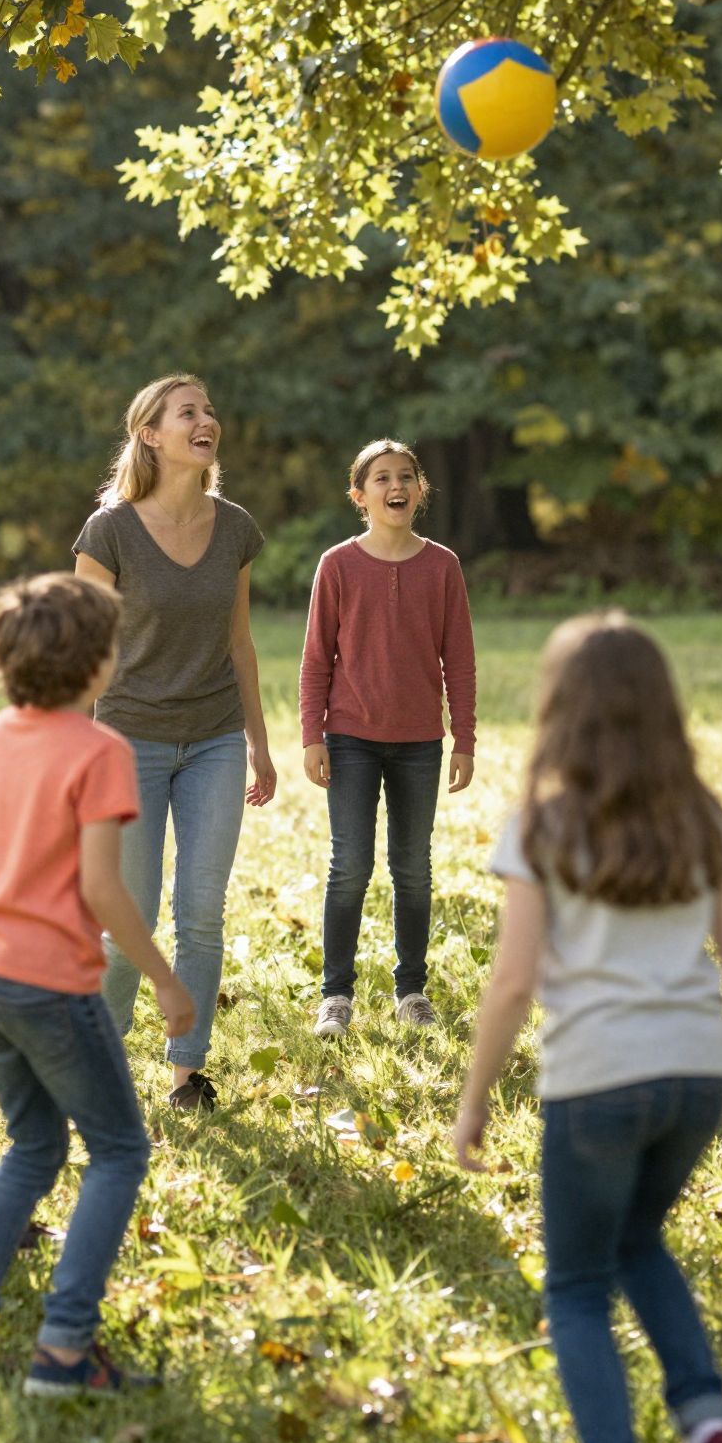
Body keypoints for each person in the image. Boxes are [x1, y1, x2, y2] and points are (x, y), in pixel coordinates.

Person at [454, 612, 722, 1443]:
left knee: (578, 1284)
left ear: (562, 712)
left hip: (596, 1079)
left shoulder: (543, 824)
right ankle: (710, 1434)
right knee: (639, 1241)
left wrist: (475, 1098)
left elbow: (512, 980)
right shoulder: (700, 818)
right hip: (696, 1073)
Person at [0, 574, 194, 1395]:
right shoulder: (102, 751)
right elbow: (105, 890)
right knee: (119, 1150)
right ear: (100, 663)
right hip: (46, 981)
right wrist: (167, 983)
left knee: (35, 1148)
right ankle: (66, 1346)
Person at [74, 373, 275, 1113]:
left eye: (211, 410)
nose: (207, 420)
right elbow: (78, 650)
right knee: (130, 922)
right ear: (150, 435)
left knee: (201, 910)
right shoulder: (110, 532)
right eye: (188, 411)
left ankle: (187, 1074)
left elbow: (240, 642)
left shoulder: (236, 529)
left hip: (215, 738)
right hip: (127, 741)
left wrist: (258, 741)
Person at [300, 439, 476, 1037]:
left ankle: (411, 990)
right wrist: (311, 735)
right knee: (349, 866)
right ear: (361, 495)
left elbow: (461, 661)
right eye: (381, 478)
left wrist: (465, 739)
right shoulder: (338, 565)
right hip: (349, 737)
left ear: (420, 491)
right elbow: (316, 659)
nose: (394, 486)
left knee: (413, 868)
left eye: (405, 477)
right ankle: (336, 996)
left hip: (421, 742)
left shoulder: (443, 566)